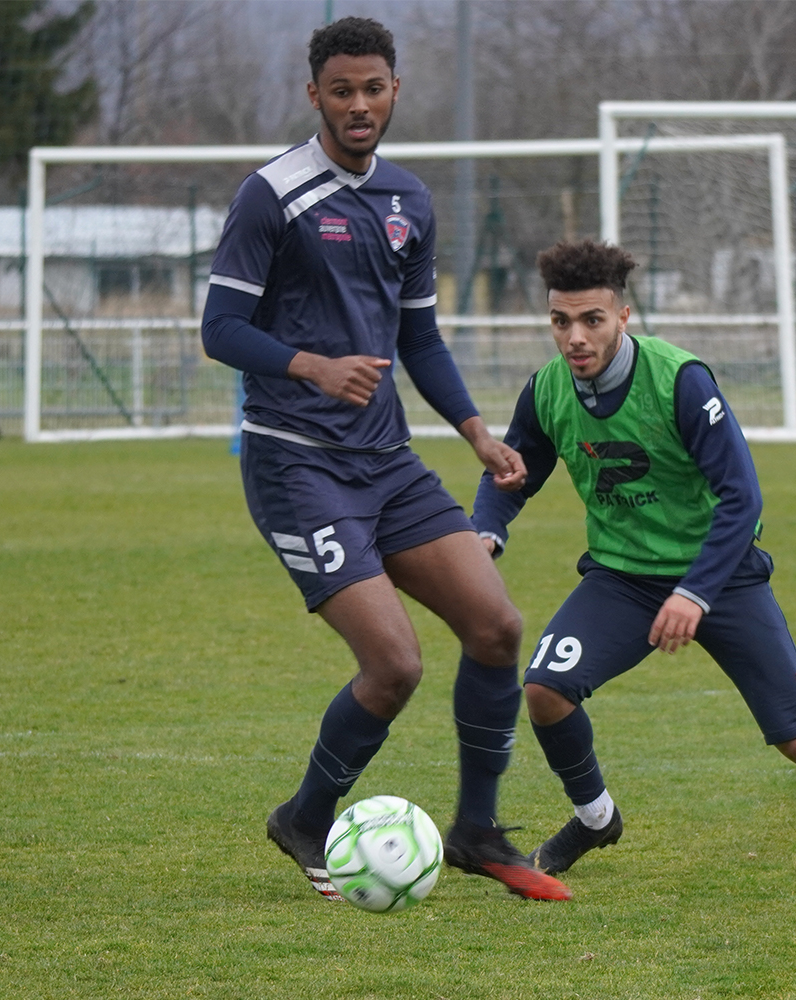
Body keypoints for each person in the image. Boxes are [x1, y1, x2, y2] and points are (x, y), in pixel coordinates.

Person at [200, 17, 569, 902]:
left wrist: (478, 431)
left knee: (497, 627)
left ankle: (477, 831)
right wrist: (311, 365)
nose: (358, 105)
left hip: (389, 461)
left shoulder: (410, 200)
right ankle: (306, 816)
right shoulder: (272, 196)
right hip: (298, 465)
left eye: (373, 89)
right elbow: (219, 329)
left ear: (394, 91)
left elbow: (420, 339)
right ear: (315, 95)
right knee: (395, 664)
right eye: (341, 91)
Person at [471, 240, 796, 877]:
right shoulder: (545, 391)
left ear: (624, 317)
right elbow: (511, 474)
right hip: (622, 579)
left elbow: (742, 497)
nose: (574, 337)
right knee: (544, 690)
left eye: (592, 319)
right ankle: (595, 818)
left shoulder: (681, 380)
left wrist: (695, 592)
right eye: (560, 321)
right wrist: (486, 530)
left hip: (722, 576)